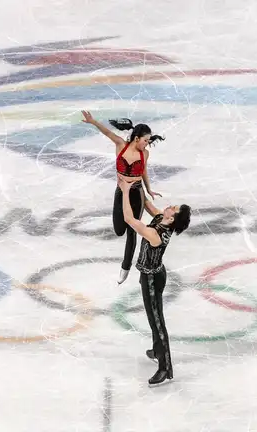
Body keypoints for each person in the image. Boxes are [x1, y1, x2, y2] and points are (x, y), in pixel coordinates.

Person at [117, 175, 191, 386]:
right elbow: (148, 205)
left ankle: (165, 368)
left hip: (152, 279)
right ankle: (157, 350)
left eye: (173, 209)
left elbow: (129, 219)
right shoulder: (161, 218)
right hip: (152, 274)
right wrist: (136, 184)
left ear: (171, 219)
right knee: (153, 317)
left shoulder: (156, 234)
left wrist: (125, 192)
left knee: (156, 321)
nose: (170, 206)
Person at [81, 111, 164, 284]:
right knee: (119, 230)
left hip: (137, 193)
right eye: (145, 140)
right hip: (120, 191)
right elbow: (107, 132)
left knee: (133, 231)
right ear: (136, 138)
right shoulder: (121, 145)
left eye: (149, 141)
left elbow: (143, 171)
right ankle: (125, 264)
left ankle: (125, 268)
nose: (147, 144)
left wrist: (148, 190)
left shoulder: (144, 153)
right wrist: (93, 121)